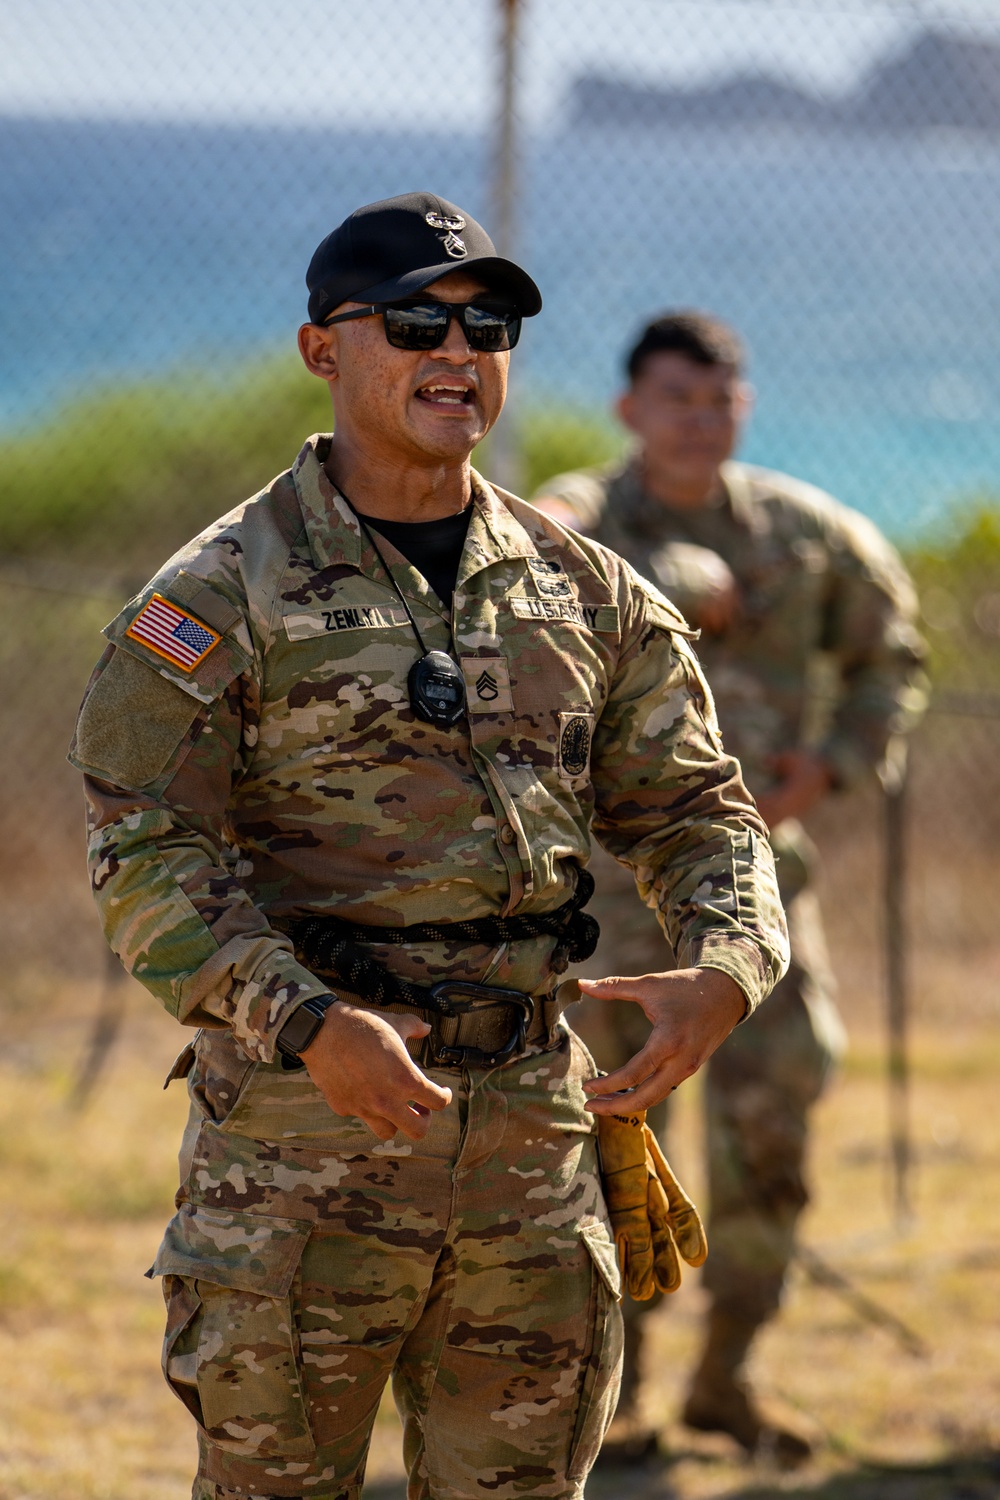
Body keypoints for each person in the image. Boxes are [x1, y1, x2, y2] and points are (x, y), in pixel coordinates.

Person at [69, 203, 788, 1500]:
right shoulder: (218, 592)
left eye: (488, 324)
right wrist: (305, 1021)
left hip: (532, 1139)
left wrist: (729, 966)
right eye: (415, 321)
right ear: (321, 350)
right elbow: (145, 853)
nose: (458, 351)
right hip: (301, 1148)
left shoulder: (588, 590)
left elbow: (698, 812)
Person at [533, 310, 927, 1467]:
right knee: (604, 1145)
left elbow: (889, 656)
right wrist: (640, 575)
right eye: (675, 399)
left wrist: (837, 762)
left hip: (753, 903)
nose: (699, 420)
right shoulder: (591, 517)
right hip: (602, 904)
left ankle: (727, 1378)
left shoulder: (806, 535)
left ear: (740, 408)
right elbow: (532, 541)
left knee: (771, 1132)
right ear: (629, 411)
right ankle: (615, 1397)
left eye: (719, 400)